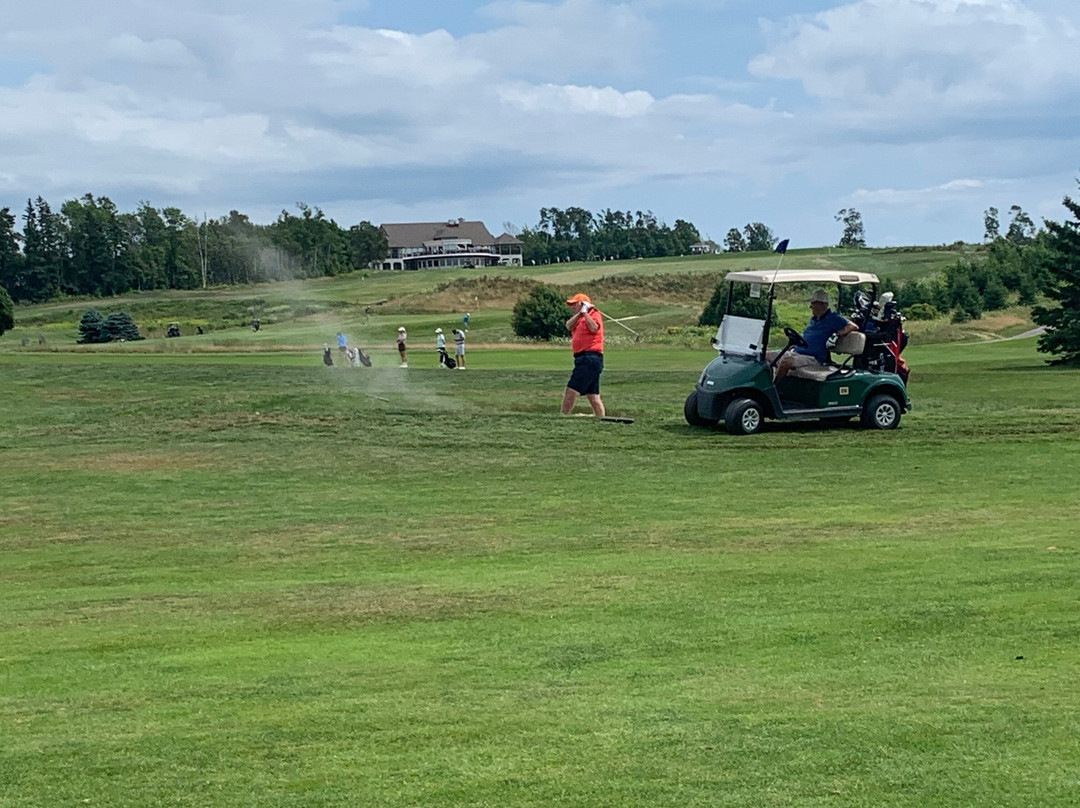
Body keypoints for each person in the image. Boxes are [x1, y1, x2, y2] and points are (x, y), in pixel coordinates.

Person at [772, 289, 859, 382]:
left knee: (786, 362)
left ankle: (774, 389)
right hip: (798, 353)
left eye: (813, 306)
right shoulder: (814, 319)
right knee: (766, 356)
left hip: (813, 358)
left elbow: (853, 326)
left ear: (822, 305)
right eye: (812, 306)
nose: (812, 308)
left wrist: (837, 335)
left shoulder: (833, 318)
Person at [561, 293, 605, 416]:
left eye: (575, 304)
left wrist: (585, 313)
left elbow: (594, 328)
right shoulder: (578, 318)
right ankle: (601, 418)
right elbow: (568, 326)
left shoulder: (594, 314)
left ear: (582, 304)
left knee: (571, 388)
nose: (572, 307)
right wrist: (580, 314)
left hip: (590, 358)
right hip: (582, 358)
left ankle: (563, 415)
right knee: (593, 395)